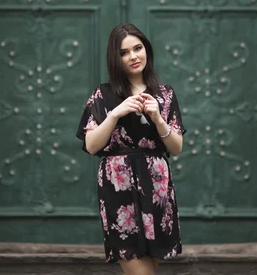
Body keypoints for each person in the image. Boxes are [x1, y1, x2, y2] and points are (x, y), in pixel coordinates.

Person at [76, 23, 186, 275]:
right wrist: (115, 113)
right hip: (118, 187)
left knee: (150, 267)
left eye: (137, 48)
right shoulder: (103, 94)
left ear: (146, 49)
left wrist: (158, 119)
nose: (133, 56)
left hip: (156, 187)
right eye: (124, 52)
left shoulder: (165, 94)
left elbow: (176, 147)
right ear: (115, 58)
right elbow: (92, 146)